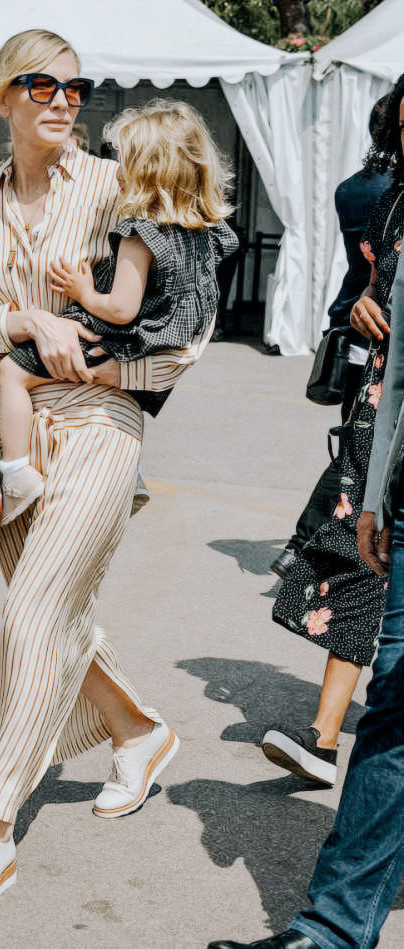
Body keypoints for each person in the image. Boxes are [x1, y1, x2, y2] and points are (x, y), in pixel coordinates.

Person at [0, 29, 230, 915]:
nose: (64, 100)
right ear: (3, 95)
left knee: (32, 611)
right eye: (41, 84)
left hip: (100, 421)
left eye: (76, 87)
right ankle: (139, 732)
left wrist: (106, 369)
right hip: (9, 432)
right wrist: (26, 318)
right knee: (57, 617)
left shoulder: (114, 186)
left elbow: (194, 316)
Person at [207, 223, 404, 949]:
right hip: (391, 470)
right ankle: (330, 929)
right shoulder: (394, 209)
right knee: (392, 709)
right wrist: (375, 494)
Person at [0, 100, 237, 523]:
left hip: (117, 339)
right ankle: (130, 472)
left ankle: (16, 473)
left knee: (12, 374)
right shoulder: (207, 231)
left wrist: (83, 291)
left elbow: (122, 308)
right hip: (163, 344)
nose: (116, 171)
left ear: (146, 171)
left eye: (123, 162)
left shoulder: (139, 234)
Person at [262, 75, 404, 789]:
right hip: (380, 414)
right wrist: (365, 310)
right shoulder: (391, 205)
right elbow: (370, 295)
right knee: (356, 558)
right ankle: (321, 738)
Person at [271, 94, 393, 579]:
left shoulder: (351, 188)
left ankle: (312, 546)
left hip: (349, 317)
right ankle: (303, 545)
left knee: (355, 443)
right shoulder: (393, 193)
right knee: (358, 450)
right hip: (378, 326)